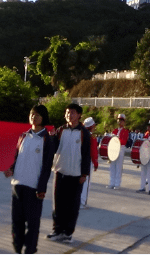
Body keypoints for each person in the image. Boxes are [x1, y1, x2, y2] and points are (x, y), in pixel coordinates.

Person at [4, 105, 55, 254]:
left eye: (37, 115)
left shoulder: (47, 140)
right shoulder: (23, 136)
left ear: (43, 117)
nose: (34, 117)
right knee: (17, 223)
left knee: (32, 224)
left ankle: (30, 250)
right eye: (32, 114)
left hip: (33, 188)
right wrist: (11, 169)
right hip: (17, 185)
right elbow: (17, 157)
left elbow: (47, 167)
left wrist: (42, 188)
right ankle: (17, 249)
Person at [47, 103, 91, 243]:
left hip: (76, 175)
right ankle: (57, 230)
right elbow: (53, 149)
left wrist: (84, 174)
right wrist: (52, 138)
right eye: (67, 112)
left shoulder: (84, 133)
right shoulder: (60, 130)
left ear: (79, 115)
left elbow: (86, 155)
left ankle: (67, 232)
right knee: (58, 204)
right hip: (60, 172)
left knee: (72, 206)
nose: (69, 115)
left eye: (72, 112)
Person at [80, 117, 99, 208]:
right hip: (88, 161)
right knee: (86, 183)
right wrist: (95, 163)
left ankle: (77, 201)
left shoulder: (80, 134)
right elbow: (93, 151)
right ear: (92, 126)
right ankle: (82, 202)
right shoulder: (92, 136)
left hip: (79, 160)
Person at [108, 114, 128, 189]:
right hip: (113, 148)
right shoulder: (115, 130)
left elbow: (124, 141)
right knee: (112, 165)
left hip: (121, 148)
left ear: (124, 122)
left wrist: (116, 138)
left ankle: (117, 184)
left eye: (121, 120)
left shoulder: (125, 131)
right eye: (119, 120)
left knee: (119, 166)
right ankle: (112, 182)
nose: (119, 122)